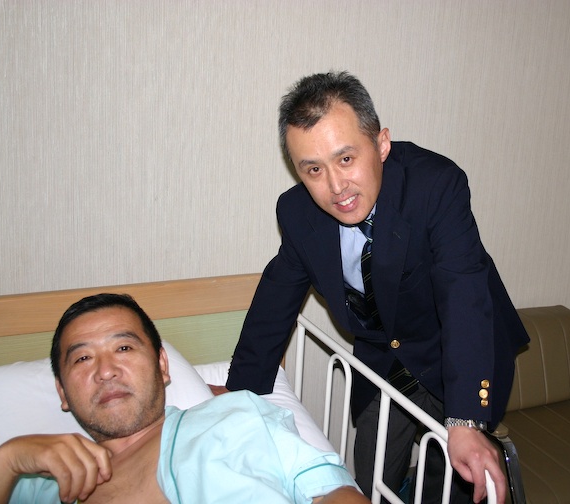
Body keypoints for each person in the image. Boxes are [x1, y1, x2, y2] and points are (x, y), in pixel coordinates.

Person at [218, 71, 530, 504]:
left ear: (382, 144)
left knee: (449, 482)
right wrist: (239, 394)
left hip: (454, 351)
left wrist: (464, 420)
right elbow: (275, 300)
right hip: (384, 357)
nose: (336, 187)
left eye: (346, 159)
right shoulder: (297, 214)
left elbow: (464, 295)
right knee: (369, 477)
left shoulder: (435, 186)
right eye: (313, 169)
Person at [0, 293, 369, 504]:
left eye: (123, 348)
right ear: (62, 391)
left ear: (162, 366)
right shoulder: (40, 485)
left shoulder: (235, 417)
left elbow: (333, 493)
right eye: (82, 358)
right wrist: (6, 461)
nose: (105, 370)